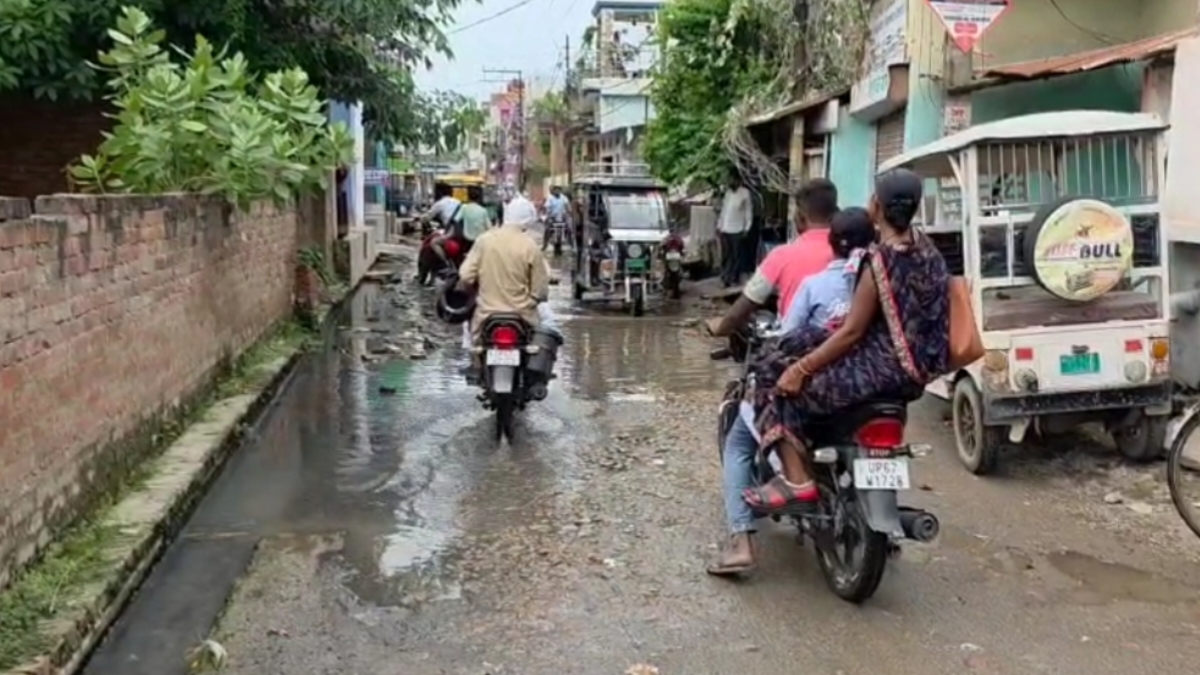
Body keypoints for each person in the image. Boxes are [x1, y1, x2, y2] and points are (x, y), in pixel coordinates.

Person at [708, 169, 950, 576]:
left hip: (877, 368)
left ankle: (796, 480)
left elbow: (852, 331)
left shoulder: (878, 261)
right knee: (792, 356)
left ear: (877, 206)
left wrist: (800, 368)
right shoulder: (930, 253)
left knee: (772, 380)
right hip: (917, 373)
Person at [705, 178, 839, 339]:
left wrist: (720, 327)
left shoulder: (781, 255)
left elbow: (744, 306)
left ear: (800, 217)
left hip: (795, 346)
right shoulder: (855, 252)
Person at [457, 196, 550, 376]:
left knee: (470, 334)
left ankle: (476, 363)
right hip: (522, 314)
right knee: (546, 330)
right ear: (528, 219)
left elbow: (466, 276)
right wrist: (533, 300)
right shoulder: (530, 246)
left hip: (486, 314)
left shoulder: (484, 241)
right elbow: (540, 289)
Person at [778, 206, 876, 334]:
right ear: (871, 242)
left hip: (819, 352)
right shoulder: (881, 283)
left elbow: (788, 332)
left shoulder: (813, 286)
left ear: (830, 241)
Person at [717, 174, 752, 287]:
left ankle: (733, 279)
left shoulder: (745, 193)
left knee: (736, 256)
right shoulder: (728, 193)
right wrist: (719, 226)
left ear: (738, 180)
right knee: (726, 255)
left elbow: (748, 212)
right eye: (728, 179)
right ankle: (725, 278)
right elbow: (724, 211)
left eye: (731, 179)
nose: (729, 182)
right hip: (725, 229)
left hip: (737, 229)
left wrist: (747, 228)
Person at [541, 186, 572, 251]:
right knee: (547, 230)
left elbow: (568, 207)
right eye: (556, 190)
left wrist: (569, 212)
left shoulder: (564, 198)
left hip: (562, 217)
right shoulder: (550, 198)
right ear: (553, 191)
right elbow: (547, 208)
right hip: (552, 217)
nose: (557, 192)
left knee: (569, 228)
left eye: (558, 190)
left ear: (560, 191)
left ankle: (570, 243)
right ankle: (545, 245)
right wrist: (549, 216)